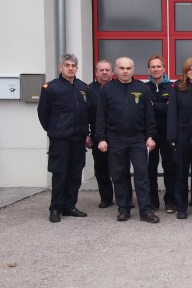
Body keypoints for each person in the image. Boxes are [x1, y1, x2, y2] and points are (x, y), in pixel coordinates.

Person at [96, 57, 159, 223]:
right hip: (115, 138)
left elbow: (149, 115)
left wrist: (150, 136)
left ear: (133, 69)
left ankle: (145, 210)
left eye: (128, 68)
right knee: (119, 175)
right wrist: (101, 138)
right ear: (116, 70)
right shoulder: (107, 89)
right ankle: (124, 208)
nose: (125, 71)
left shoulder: (142, 88)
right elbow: (100, 116)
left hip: (138, 139)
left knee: (142, 175)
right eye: (122, 68)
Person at [37, 54, 90, 223]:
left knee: (75, 173)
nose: (70, 68)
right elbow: (43, 113)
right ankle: (56, 208)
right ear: (60, 68)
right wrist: (54, 130)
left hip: (78, 138)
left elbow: (87, 111)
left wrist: (86, 133)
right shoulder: (51, 87)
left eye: (73, 65)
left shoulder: (83, 87)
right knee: (60, 174)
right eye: (67, 65)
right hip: (60, 139)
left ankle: (70, 206)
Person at [167, 57, 192, 219]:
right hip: (182, 134)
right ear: (185, 71)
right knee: (181, 172)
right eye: (190, 69)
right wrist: (172, 137)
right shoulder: (177, 87)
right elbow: (172, 113)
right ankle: (182, 207)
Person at [146, 55, 176, 213]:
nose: (156, 69)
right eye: (153, 67)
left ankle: (170, 200)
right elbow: (145, 110)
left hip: (167, 133)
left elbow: (172, 109)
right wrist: (163, 106)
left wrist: (153, 105)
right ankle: (152, 201)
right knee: (150, 169)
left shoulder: (172, 87)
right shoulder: (143, 88)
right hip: (150, 135)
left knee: (170, 167)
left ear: (164, 68)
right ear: (149, 70)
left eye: (158, 66)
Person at [87, 59, 116, 208]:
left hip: (116, 134)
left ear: (112, 72)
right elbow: (83, 114)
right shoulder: (89, 90)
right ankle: (106, 198)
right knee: (101, 168)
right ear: (96, 72)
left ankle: (125, 198)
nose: (104, 72)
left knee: (120, 168)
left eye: (107, 70)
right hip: (98, 133)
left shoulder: (119, 87)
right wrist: (87, 134)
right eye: (101, 70)